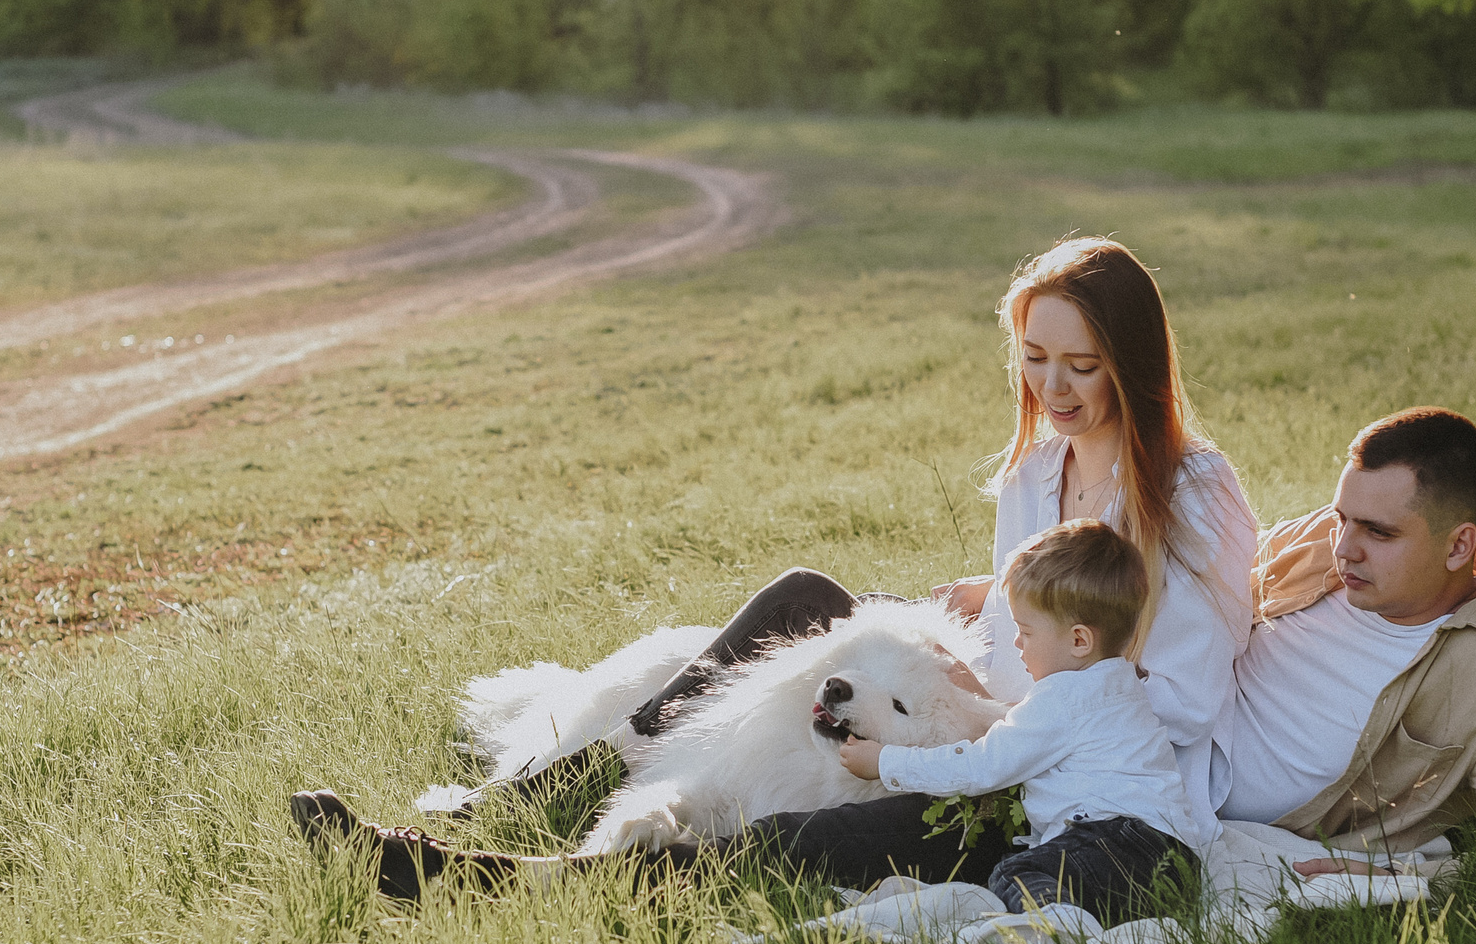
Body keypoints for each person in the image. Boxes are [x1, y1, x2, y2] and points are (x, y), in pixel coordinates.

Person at [292, 236, 1259, 897]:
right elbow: (1047, 609)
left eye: (1082, 365)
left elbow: (1181, 701)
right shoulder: (1037, 470)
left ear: (1131, 363)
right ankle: (544, 788)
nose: (1052, 387)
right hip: (982, 712)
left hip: (1069, 784)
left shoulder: (1194, 496)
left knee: (814, 840)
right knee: (807, 598)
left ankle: (503, 878)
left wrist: (992, 711)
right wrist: (975, 625)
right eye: (1036, 358)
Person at [1203, 407, 1476, 879]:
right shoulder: (1323, 543)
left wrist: (1399, 876)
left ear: (1458, 546)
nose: (1344, 548)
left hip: (1197, 825)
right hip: (1141, 736)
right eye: (1342, 518)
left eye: (1379, 532)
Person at [838, 520, 1197, 922]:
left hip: (1118, 842)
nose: (1016, 643)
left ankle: (1056, 932)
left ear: (1079, 641)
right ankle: (1095, 919)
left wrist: (885, 762)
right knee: (1053, 869)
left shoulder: (1061, 698)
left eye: (1026, 632)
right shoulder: (1121, 688)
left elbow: (980, 767)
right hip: (1175, 862)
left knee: (1016, 874)